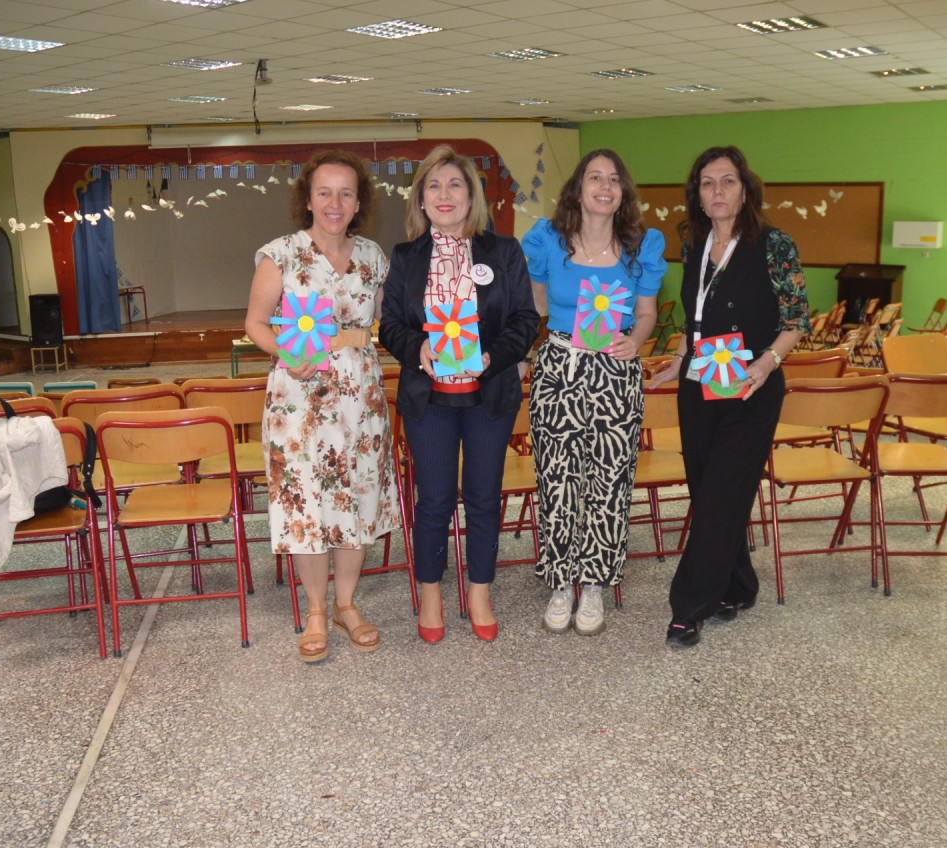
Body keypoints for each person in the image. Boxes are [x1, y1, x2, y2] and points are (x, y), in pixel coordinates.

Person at [648, 145, 811, 647]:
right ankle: (737, 585)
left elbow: (796, 319)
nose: (717, 190)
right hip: (700, 383)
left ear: (745, 190)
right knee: (711, 491)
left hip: (750, 388)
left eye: (727, 181)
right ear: (697, 195)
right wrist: (678, 362)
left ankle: (688, 606)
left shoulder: (773, 244)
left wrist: (767, 363)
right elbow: (695, 321)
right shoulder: (694, 245)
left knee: (720, 494)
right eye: (707, 183)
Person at [243, 149, 401, 663]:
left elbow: (387, 321)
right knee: (306, 501)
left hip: (361, 399)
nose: (335, 203)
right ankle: (315, 609)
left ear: (359, 202)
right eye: (325, 192)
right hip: (299, 398)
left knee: (357, 496)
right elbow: (255, 323)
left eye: (346, 193)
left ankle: (346, 604)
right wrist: (287, 353)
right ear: (308, 199)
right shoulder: (281, 255)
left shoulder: (374, 257)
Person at [378, 145, 539, 643]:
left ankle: (480, 591)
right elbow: (390, 325)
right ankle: (431, 592)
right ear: (421, 198)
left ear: (471, 196)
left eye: (454, 185)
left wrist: (492, 356)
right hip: (429, 399)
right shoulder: (406, 257)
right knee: (434, 500)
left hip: (489, 394)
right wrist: (417, 348)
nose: (444, 194)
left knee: (484, 498)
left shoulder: (504, 251)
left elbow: (525, 320)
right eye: (433, 185)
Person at [522, 149, 666, 636]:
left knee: (609, 481)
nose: (604, 187)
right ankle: (562, 581)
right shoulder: (548, 241)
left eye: (614, 179)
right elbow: (536, 306)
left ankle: (595, 585)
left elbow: (646, 312)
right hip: (559, 369)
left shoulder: (641, 247)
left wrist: (637, 340)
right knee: (558, 479)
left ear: (623, 191)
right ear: (578, 189)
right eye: (594, 177)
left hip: (616, 372)